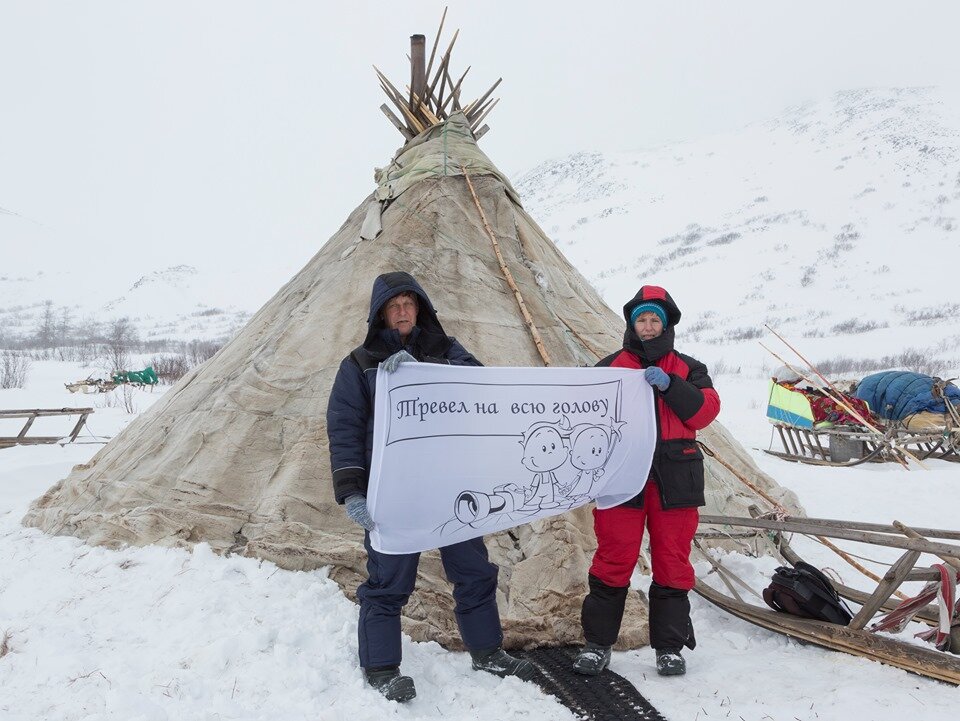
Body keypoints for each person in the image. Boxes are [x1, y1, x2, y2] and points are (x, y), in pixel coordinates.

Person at [326, 271, 534, 703]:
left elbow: (481, 390)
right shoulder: (360, 363)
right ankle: (382, 667)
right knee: (388, 581)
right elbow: (344, 427)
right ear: (381, 314)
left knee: (474, 571)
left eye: (409, 303)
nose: (402, 311)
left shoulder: (447, 350)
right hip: (394, 491)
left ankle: (487, 651)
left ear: (419, 308)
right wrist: (352, 491)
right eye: (393, 305)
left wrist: (424, 372)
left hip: (450, 488)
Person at [573, 285, 720, 678]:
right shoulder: (608, 367)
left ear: (667, 322)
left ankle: (669, 648)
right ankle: (598, 644)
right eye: (642, 319)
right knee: (613, 558)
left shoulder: (689, 368)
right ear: (632, 323)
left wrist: (671, 386)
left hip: (676, 477)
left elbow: (705, 413)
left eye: (656, 319)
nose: (649, 326)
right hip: (623, 476)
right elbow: (585, 419)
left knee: (672, 560)